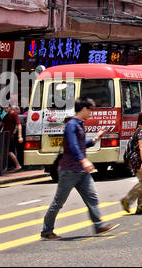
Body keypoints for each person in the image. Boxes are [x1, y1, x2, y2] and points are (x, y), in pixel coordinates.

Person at [39, 98, 119, 240]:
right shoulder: (71, 125)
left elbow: (82, 145)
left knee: (92, 197)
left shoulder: (80, 125)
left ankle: (99, 225)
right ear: (83, 109)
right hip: (69, 170)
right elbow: (74, 146)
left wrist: (96, 138)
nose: (91, 113)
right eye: (90, 110)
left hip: (81, 171)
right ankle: (47, 230)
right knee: (58, 202)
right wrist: (84, 160)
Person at [0, 104, 21, 175]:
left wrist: (20, 136)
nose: (5, 109)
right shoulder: (6, 115)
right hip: (4, 136)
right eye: (4, 108)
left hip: (10, 136)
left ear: (10, 107)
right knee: (1, 152)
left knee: (9, 152)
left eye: (7, 108)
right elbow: (1, 123)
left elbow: (19, 125)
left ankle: (17, 165)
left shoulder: (14, 115)